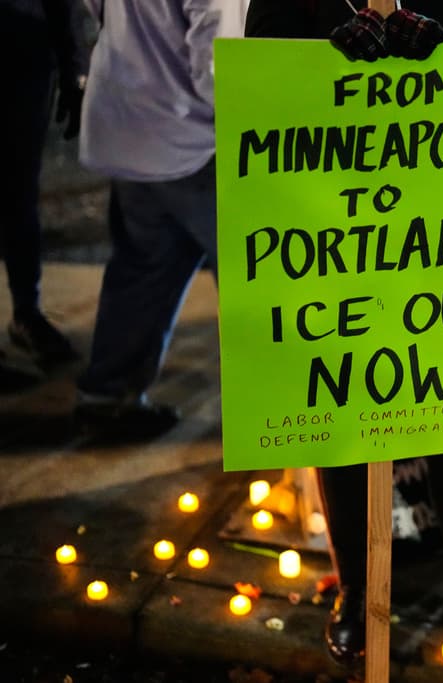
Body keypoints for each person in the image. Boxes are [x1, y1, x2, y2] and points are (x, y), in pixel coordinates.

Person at [244, 0, 443, 672]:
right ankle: (356, 590)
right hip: (334, 238)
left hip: (440, 244)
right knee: (338, 423)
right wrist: (322, 66)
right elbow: (261, 89)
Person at [74, 0, 247, 440]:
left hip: (128, 121)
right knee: (257, 280)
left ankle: (107, 398)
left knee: (143, 269)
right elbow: (220, 56)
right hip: (191, 139)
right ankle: (276, 420)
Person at [1, 0, 87, 367]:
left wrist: (73, 67)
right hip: (26, 46)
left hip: (23, 54)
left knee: (19, 195)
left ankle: (26, 311)